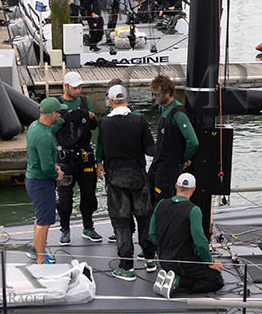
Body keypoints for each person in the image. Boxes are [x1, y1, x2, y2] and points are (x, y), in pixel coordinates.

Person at [97, 83, 156, 279]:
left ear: (111, 101)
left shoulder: (104, 123)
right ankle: (150, 258)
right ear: (127, 100)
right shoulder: (140, 121)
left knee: (121, 223)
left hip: (116, 179)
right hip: (138, 177)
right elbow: (150, 149)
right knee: (144, 218)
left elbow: (103, 149)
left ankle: (126, 266)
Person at [150, 173, 223, 299]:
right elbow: (200, 241)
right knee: (216, 281)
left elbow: (152, 233)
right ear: (194, 188)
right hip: (183, 262)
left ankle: (170, 275)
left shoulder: (161, 203)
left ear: (176, 186)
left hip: (163, 259)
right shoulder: (193, 210)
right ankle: (178, 281)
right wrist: (209, 262)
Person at [53, 70, 103, 246]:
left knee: (88, 195)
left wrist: (92, 117)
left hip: (85, 156)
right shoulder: (57, 104)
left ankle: (88, 227)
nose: (79, 90)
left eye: (80, 86)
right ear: (66, 86)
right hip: (65, 159)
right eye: (75, 87)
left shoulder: (84, 101)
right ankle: (65, 229)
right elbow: (50, 130)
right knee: (65, 198)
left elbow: (96, 125)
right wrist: (61, 120)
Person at [25, 98, 64, 265]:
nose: (60, 115)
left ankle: (35, 247)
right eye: (59, 112)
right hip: (42, 183)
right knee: (44, 222)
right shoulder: (44, 136)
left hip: (32, 180)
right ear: (52, 114)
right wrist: (58, 174)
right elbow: (47, 167)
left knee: (39, 217)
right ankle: (41, 258)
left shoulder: (35, 126)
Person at [149, 73, 198, 203]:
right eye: (152, 94)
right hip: (158, 165)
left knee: (164, 202)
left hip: (170, 170)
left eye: (157, 94)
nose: (154, 97)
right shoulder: (162, 109)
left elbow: (193, 142)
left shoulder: (178, 114)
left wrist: (184, 159)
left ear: (168, 93)